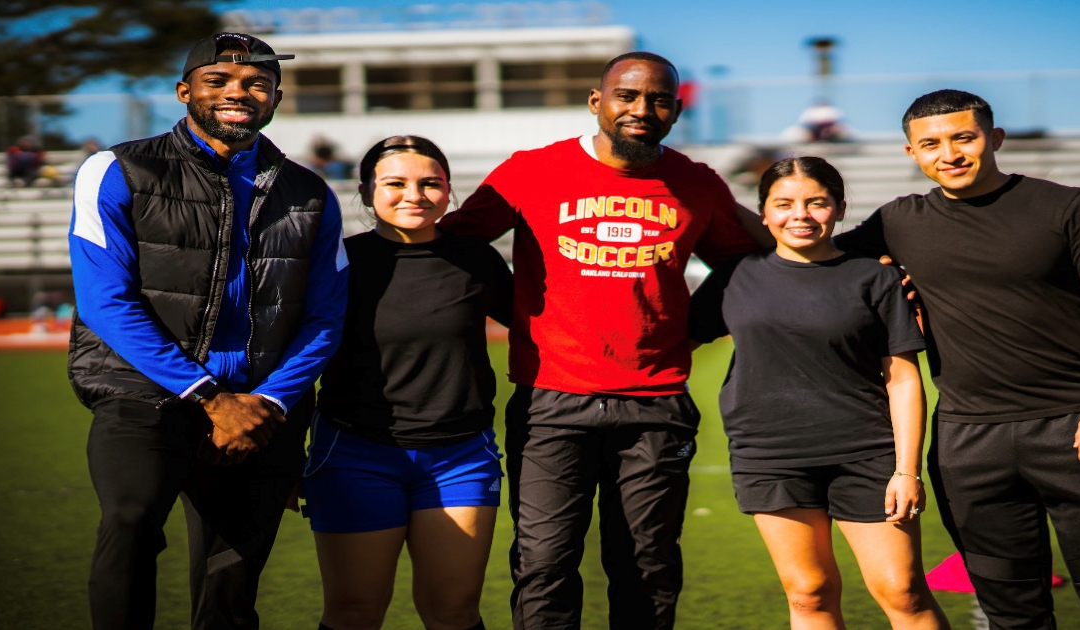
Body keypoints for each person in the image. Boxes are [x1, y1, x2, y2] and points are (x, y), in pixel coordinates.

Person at [437, 51, 764, 629]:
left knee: (647, 566)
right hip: (551, 400)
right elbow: (458, 245)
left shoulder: (696, 183)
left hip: (656, 404)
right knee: (544, 564)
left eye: (659, 99)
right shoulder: (531, 170)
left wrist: (694, 324)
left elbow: (746, 262)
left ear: (676, 110)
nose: (643, 109)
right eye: (628, 96)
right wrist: (518, 310)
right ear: (597, 101)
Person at [835, 89, 1080, 629]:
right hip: (968, 443)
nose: (950, 154)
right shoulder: (897, 222)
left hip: (1079, 428)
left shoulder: (1070, 207)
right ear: (912, 154)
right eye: (931, 144)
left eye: (964, 137)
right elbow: (814, 261)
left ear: (994, 138)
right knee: (1012, 614)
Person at [67, 32, 348, 629]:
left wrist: (267, 401)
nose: (238, 93)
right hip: (143, 393)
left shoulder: (311, 192)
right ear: (184, 91)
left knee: (230, 579)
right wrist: (208, 398)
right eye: (218, 80)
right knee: (131, 521)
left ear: (275, 97)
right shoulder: (116, 168)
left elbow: (324, 318)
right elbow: (104, 302)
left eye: (256, 83)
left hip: (261, 403)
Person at [688, 157, 950, 630]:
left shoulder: (876, 276)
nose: (801, 215)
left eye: (817, 203)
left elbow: (904, 378)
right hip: (769, 456)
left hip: (866, 453)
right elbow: (667, 341)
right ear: (763, 214)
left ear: (840, 208)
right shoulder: (734, 277)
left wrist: (906, 470)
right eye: (783, 204)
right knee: (809, 594)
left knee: (903, 592)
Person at [303, 135, 512, 630]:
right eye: (395, 183)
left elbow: (543, 327)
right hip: (355, 454)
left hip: (460, 457)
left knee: (454, 612)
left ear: (448, 191)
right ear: (367, 190)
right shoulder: (337, 263)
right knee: (354, 612)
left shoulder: (477, 259)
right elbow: (297, 359)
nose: (414, 195)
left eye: (430, 184)